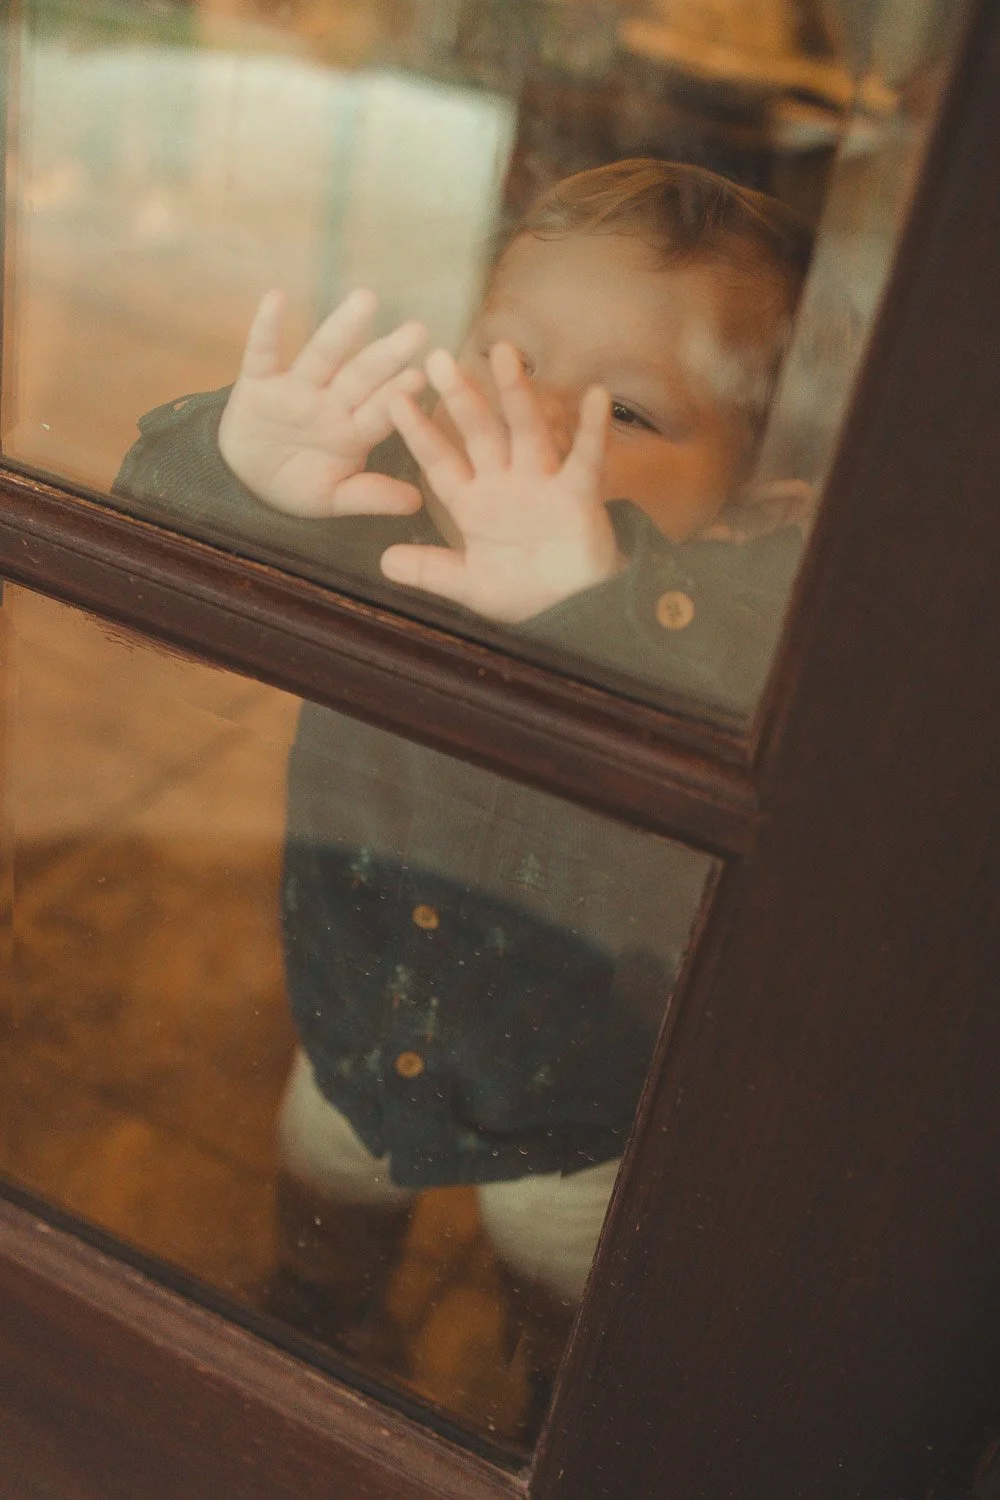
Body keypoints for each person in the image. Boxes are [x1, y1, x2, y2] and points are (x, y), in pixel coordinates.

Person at [114, 158, 813, 1385]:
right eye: (508, 360)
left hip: (581, 1107)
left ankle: (538, 1411)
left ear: (751, 508)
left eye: (629, 413)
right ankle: (321, 1322)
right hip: (355, 1021)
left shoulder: (720, 628)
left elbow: (749, 687)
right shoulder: (380, 505)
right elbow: (144, 565)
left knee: (561, 1320)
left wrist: (599, 613)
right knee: (322, 1212)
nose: (531, 419)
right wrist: (239, 472)